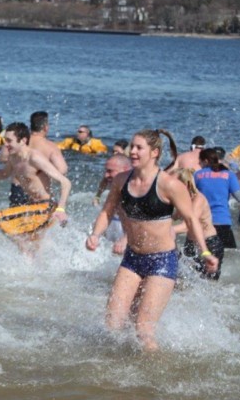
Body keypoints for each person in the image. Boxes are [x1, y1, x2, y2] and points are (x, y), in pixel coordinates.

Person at [86, 129, 219, 352]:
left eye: (139, 147)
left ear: (154, 152)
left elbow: (191, 219)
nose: (133, 151)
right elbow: (107, 211)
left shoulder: (169, 184)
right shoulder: (121, 180)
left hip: (162, 261)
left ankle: (155, 378)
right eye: (132, 146)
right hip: (132, 259)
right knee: (112, 325)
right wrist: (95, 235)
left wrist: (205, 252)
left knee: (143, 331)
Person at [0, 122, 70, 254]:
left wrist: (61, 209)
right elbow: (4, 174)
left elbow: (65, 182)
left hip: (46, 207)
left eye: (9, 141)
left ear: (23, 140)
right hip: (32, 207)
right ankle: (34, 269)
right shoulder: (14, 157)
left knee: (3, 221)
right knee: (28, 243)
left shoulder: (34, 157)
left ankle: (29, 266)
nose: (5, 144)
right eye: (5, 140)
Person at [171, 168, 225, 280]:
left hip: (209, 244)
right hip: (190, 244)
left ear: (186, 184)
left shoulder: (198, 200)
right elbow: (173, 217)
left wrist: (166, 230)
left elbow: (188, 226)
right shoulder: (183, 199)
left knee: (208, 285)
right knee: (183, 281)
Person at [93, 154, 132, 255]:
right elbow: (106, 214)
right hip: (119, 226)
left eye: (110, 171)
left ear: (126, 170)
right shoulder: (115, 188)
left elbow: (145, 222)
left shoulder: (137, 190)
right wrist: (95, 236)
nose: (106, 175)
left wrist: (126, 238)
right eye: (106, 171)